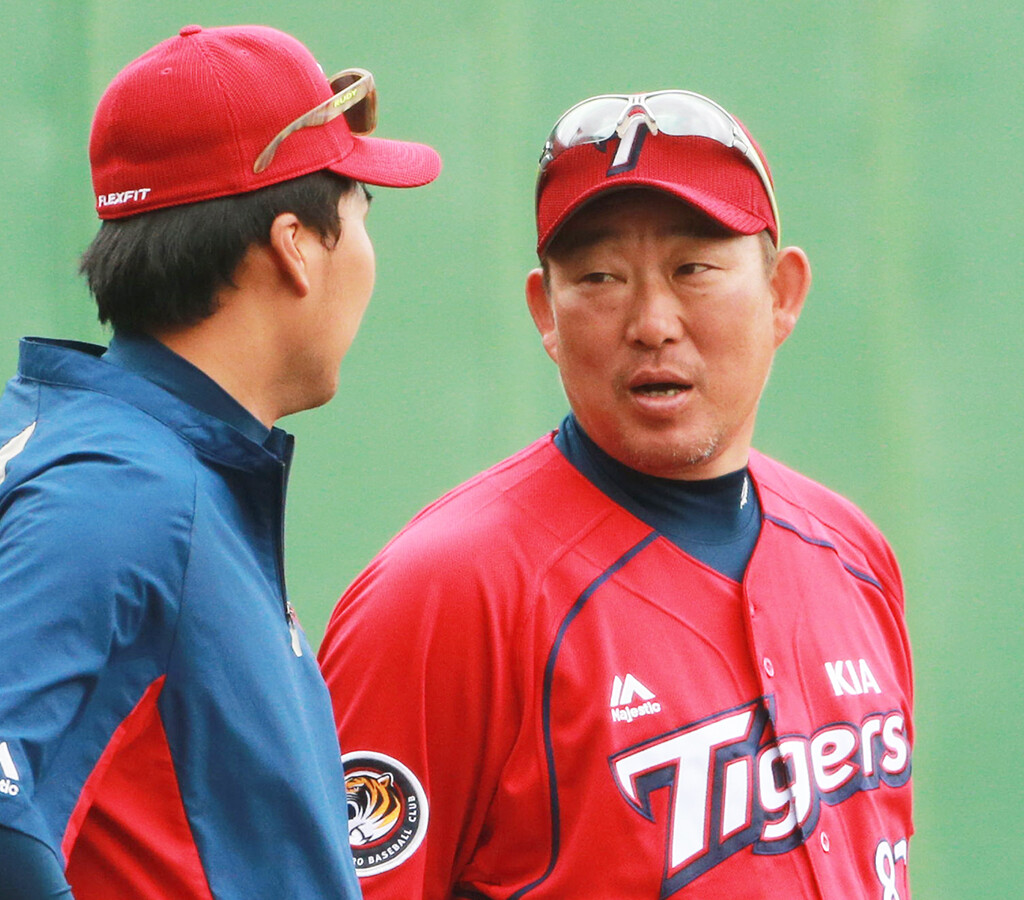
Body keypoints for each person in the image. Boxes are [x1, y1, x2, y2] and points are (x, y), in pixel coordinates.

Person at [319, 90, 913, 899]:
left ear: (783, 294)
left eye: (693, 268)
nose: (652, 321)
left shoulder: (853, 553)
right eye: (599, 276)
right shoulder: (444, 594)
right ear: (546, 314)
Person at [0, 23, 440, 899]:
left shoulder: (140, 458)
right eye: (362, 215)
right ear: (296, 245)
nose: (370, 257)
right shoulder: (126, 484)